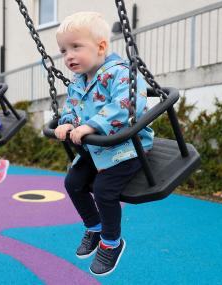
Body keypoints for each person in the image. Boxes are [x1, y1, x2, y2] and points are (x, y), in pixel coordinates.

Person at [54, 12, 154, 276]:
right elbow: (72, 110)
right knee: (72, 183)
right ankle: (94, 227)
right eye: (64, 50)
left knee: (103, 190)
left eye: (76, 47)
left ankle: (111, 242)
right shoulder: (78, 82)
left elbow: (128, 105)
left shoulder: (121, 74)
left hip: (126, 147)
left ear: (101, 47)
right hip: (95, 148)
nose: (69, 56)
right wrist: (66, 123)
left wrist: (92, 125)